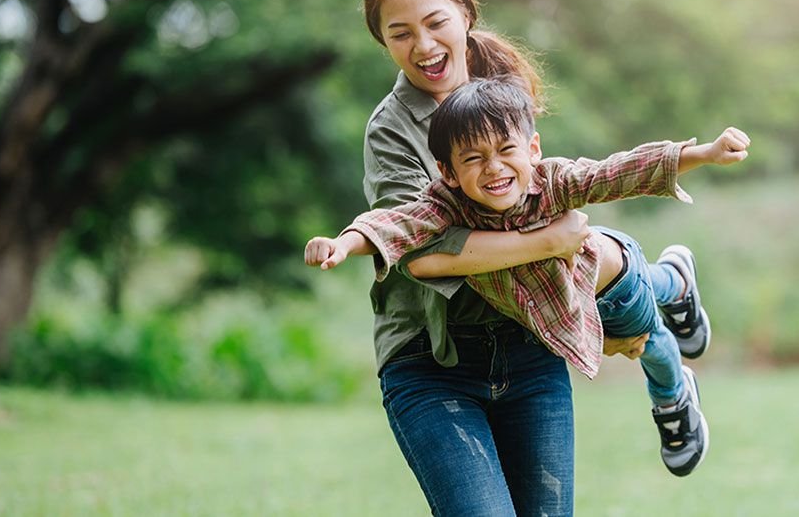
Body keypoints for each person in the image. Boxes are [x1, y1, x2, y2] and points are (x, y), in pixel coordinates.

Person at [329, 0, 706, 515]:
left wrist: (587, 303)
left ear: (465, 13)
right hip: (435, 357)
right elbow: (424, 247)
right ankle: (668, 288)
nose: (424, 46)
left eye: (435, 23)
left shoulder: (500, 83)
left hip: (526, 339)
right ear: (382, 40)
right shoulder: (391, 131)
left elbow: (562, 189)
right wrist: (545, 243)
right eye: (401, 33)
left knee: (602, 255)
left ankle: (664, 298)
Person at [306, 77, 751, 476]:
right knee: (650, 315)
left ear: (533, 148)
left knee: (648, 341)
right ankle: (674, 279)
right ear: (448, 172)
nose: (494, 168)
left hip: (609, 283)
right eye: (474, 159)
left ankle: (673, 392)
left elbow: (618, 171)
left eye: (506, 151)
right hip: (571, 297)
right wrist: (343, 243)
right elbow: (396, 224)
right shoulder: (445, 206)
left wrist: (704, 153)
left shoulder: (554, 180)